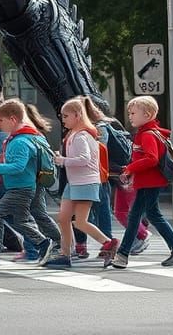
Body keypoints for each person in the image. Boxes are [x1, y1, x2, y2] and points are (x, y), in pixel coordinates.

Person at [0, 99, 59, 266]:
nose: (0, 123)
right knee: (27, 219)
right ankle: (50, 245)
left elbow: (19, 167)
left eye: (2, 120)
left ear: (12, 119)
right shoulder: (30, 136)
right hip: (29, 185)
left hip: (21, 187)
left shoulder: (19, 141)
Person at [110, 96, 173, 269]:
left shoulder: (146, 135)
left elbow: (151, 159)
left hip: (149, 181)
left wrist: (130, 169)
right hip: (148, 181)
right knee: (145, 215)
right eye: (129, 113)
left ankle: (123, 254)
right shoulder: (147, 133)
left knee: (140, 216)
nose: (130, 116)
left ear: (147, 114)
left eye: (133, 113)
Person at [72, 96, 148, 257]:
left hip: (100, 175)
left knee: (103, 210)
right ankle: (96, 243)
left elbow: (98, 152)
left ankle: (110, 242)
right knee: (101, 210)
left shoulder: (100, 128)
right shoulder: (88, 128)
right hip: (98, 175)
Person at [48, 98, 118, 268]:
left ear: (77, 115)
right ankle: (66, 253)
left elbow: (84, 159)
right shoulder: (77, 135)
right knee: (64, 218)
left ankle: (107, 243)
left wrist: (62, 160)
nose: (63, 119)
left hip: (84, 183)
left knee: (78, 221)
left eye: (65, 116)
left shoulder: (81, 136)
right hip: (76, 183)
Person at [0, 94, 38, 262]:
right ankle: (33, 246)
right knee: (8, 214)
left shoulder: (4, 136)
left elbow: (14, 163)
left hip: (10, 184)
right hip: (7, 183)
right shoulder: (0, 135)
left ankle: (32, 245)